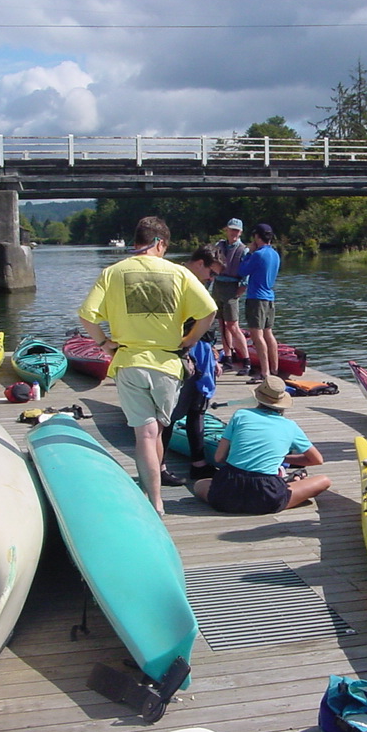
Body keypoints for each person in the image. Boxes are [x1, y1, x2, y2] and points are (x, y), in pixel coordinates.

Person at [78, 216, 217, 516]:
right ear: (159, 242)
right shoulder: (178, 273)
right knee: (158, 429)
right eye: (165, 247)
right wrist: (190, 339)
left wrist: (103, 343)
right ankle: (153, 493)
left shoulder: (113, 272)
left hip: (129, 362)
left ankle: (153, 499)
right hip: (168, 365)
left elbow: (87, 316)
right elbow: (209, 311)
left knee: (145, 434)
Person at [191, 375, 332, 514]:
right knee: (324, 480)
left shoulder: (240, 415)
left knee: (199, 485)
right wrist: (283, 459)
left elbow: (219, 458)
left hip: (228, 490)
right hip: (267, 495)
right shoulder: (290, 426)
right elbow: (317, 460)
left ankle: (287, 482)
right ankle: (291, 482)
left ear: (258, 398)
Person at [160, 244, 225, 485]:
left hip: (202, 352)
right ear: (200, 263)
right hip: (182, 353)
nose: (212, 278)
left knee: (197, 409)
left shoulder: (199, 284)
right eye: (211, 272)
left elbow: (206, 322)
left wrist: (212, 353)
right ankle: (160, 466)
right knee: (170, 413)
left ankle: (198, 464)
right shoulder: (177, 280)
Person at [237, 223, 280, 383]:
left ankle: (265, 372)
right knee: (268, 333)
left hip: (256, 298)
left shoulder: (258, 254)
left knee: (257, 335)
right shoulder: (275, 254)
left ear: (257, 237)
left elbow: (242, 271)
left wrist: (248, 253)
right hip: (270, 297)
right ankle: (274, 369)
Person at [213, 218, 251, 374]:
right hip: (218, 287)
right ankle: (228, 357)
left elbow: (246, 277)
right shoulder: (219, 246)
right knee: (222, 324)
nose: (233, 233)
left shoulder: (244, 250)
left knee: (233, 326)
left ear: (240, 232)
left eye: (236, 230)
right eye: (231, 230)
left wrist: (238, 292)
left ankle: (246, 360)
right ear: (227, 230)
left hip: (232, 288)